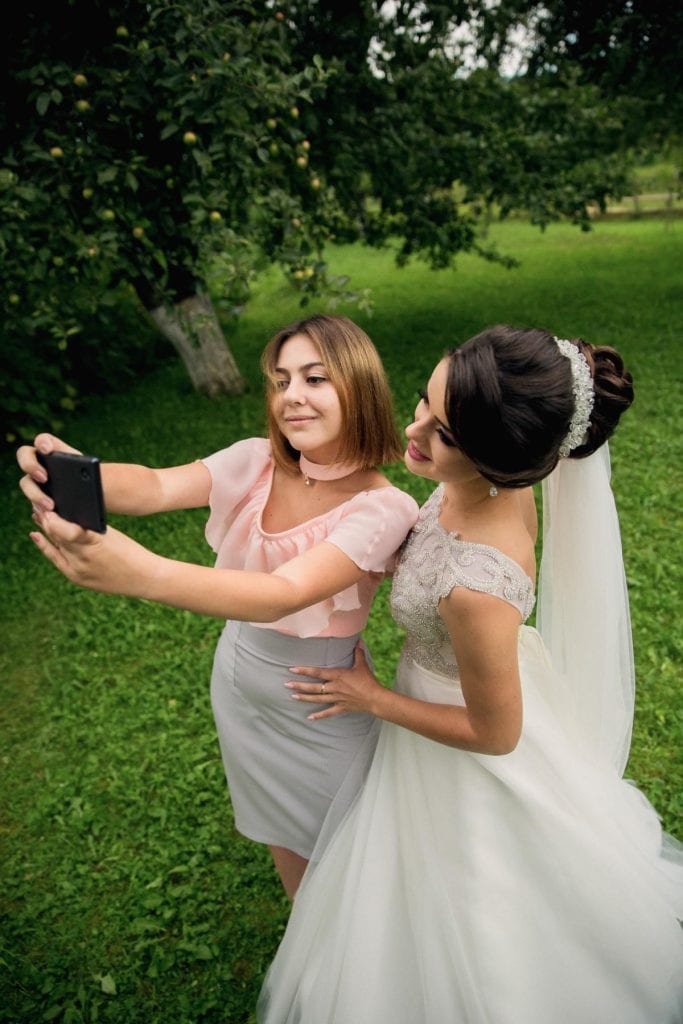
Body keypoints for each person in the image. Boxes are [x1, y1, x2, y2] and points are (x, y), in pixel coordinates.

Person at [255, 325, 683, 1023]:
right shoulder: (482, 478)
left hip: (460, 720)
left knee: (476, 892)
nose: (413, 431)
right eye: (425, 401)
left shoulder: (477, 587)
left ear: (500, 462)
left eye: (442, 434)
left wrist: (374, 699)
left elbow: (495, 734)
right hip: (458, 679)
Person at [17, 314, 418, 899]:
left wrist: (143, 573)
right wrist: (78, 477)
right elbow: (155, 486)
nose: (292, 398)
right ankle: (306, 947)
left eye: (315, 379)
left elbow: (283, 593)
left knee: (355, 851)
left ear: (359, 387)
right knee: (286, 839)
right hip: (239, 677)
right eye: (281, 382)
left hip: (318, 699)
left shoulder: (384, 509)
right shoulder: (258, 460)